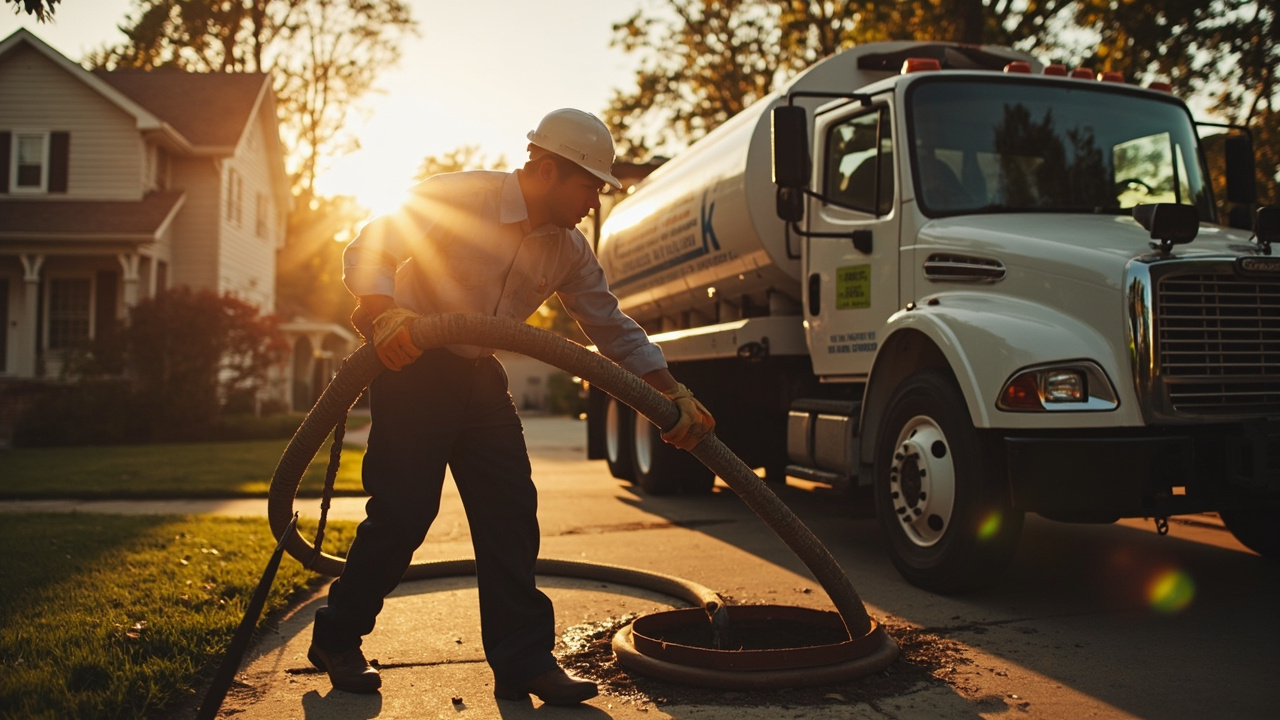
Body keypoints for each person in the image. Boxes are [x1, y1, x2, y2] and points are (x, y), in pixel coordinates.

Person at [307, 108, 716, 706]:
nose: (594, 202)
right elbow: (372, 242)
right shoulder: (459, 197)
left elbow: (609, 323)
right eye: (588, 186)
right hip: (413, 368)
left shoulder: (570, 249)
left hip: (481, 380)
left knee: (511, 515)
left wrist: (669, 390)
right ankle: (338, 637)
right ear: (547, 170)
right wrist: (381, 308)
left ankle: (523, 660)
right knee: (403, 514)